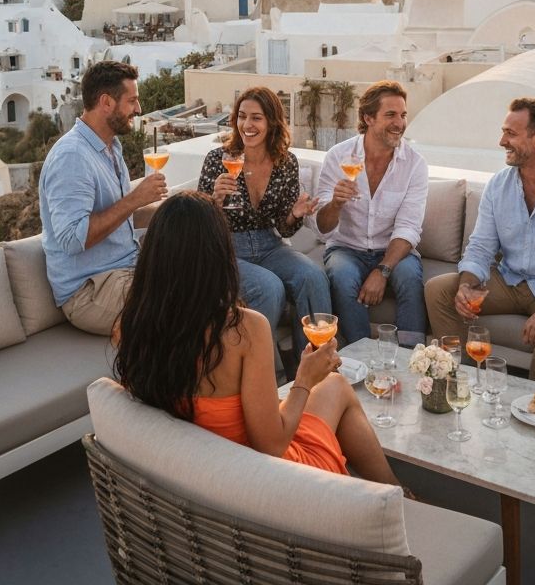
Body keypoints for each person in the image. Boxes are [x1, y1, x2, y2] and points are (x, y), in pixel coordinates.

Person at [114, 191, 402, 485]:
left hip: (194, 471)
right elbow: (273, 446)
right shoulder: (244, 329)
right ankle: (394, 494)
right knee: (334, 385)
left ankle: (391, 492)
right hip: (256, 480)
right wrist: (304, 379)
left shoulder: (133, 321)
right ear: (219, 254)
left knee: (334, 384)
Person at [425, 98, 535, 385]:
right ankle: (460, 382)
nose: (501, 141)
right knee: (439, 291)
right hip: (509, 280)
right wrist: (466, 285)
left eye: (511, 133)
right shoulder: (498, 185)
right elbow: (481, 246)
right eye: (504, 131)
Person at [198, 86, 330, 358]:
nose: (247, 124)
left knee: (313, 276)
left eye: (256, 117)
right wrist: (215, 199)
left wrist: (294, 213)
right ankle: (260, 376)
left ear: (271, 121)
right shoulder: (218, 159)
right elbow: (197, 222)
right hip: (226, 249)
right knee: (269, 287)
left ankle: (312, 366)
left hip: (269, 244)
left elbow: (284, 228)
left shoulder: (285, 162)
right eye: (242, 116)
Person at [39, 60, 167, 335]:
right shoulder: (72, 157)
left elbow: (119, 217)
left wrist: (172, 211)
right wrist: (135, 198)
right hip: (89, 291)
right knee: (187, 304)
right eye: (132, 101)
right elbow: (74, 239)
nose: (139, 109)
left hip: (124, 270)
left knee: (204, 274)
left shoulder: (110, 146)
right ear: (106, 102)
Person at [310, 80, 428, 347]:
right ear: (368, 118)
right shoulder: (338, 157)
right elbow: (322, 228)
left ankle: (414, 358)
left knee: (410, 277)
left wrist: (382, 271)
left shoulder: (415, 164)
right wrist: (336, 204)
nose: (399, 122)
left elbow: (409, 227)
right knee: (341, 277)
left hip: (392, 250)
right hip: (346, 248)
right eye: (390, 115)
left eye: (403, 115)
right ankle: (358, 356)